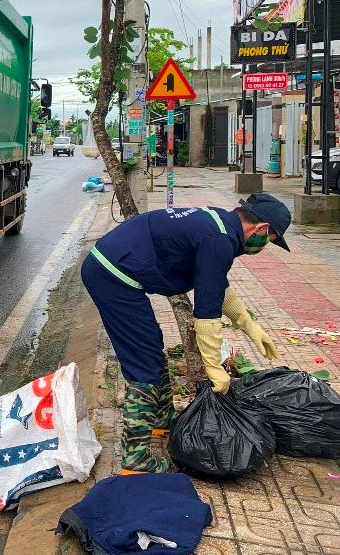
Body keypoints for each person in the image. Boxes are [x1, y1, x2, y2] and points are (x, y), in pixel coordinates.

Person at [81, 193, 289, 473]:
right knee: (142, 363)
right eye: (271, 239)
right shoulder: (220, 239)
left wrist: (250, 326)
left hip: (114, 267)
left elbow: (215, 285)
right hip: (113, 276)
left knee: (152, 347)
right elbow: (206, 314)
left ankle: (161, 421)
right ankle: (136, 460)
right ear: (261, 228)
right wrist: (214, 367)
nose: (266, 245)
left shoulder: (219, 223)